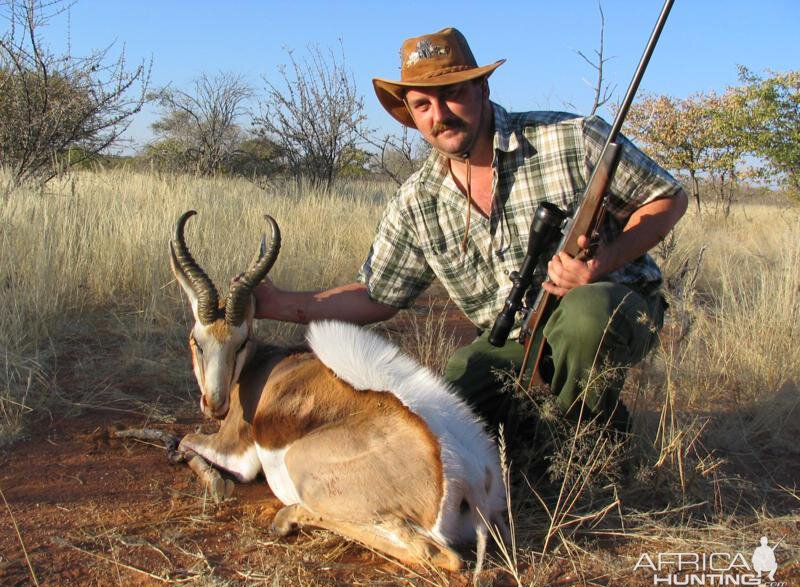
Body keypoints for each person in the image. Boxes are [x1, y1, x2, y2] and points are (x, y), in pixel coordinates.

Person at [253, 27, 688, 436]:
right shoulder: (417, 201)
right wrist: (276, 304)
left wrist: (602, 263)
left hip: (617, 309)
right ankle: (533, 433)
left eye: (452, 95)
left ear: (482, 89)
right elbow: (376, 296)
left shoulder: (572, 137)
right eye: (423, 105)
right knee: (447, 421)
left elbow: (668, 197)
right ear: (411, 114)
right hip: (517, 337)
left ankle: (590, 446)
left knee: (585, 314)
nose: (439, 115)